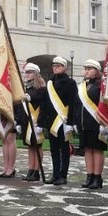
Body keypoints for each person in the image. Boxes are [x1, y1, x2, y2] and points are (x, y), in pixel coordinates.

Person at [42, 56, 77, 185]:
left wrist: (70, 123)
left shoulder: (70, 83)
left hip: (64, 121)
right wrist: (43, 121)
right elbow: (46, 103)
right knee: (54, 150)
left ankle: (63, 175)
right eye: (54, 66)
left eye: (58, 65)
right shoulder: (50, 83)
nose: (55, 67)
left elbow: (73, 103)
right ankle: (55, 174)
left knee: (64, 150)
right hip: (52, 121)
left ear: (64, 67)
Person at [75, 59, 106, 189]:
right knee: (87, 149)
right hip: (84, 123)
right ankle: (89, 176)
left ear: (96, 71)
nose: (86, 71)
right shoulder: (83, 85)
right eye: (85, 68)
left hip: (96, 122)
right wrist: (76, 122)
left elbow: (104, 104)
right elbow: (78, 105)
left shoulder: (101, 85)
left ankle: (97, 178)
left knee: (97, 149)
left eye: (89, 69)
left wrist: (104, 123)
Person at [14, 63, 47, 181]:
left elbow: (43, 107)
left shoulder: (41, 88)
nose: (27, 74)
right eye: (26, 72)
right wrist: (17, 122)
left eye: (30, 72)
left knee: (37, 146)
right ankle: (31, 169)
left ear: (36, 74)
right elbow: (19, 107)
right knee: (30, 146)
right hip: (25, 121)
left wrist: (41, 124)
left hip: (35, 122)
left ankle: (36, 170)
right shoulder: (24, 88)